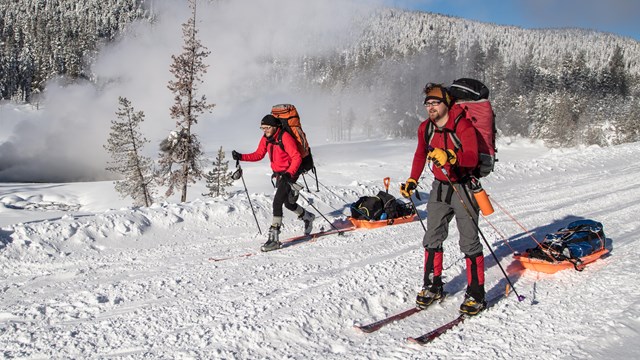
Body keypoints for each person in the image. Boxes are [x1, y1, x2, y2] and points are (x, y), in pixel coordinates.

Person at [400, 83, 486, 315]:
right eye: (427, 103)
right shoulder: (425, 128)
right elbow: (420, 154)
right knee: (432, 238)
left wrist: (450, 156)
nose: (430, 107)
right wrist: (412, 180)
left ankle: (476, 294)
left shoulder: (463, 125)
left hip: (463, 187)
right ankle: (432, 286)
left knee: (469, 241)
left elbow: (471, 157)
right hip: (439, 187)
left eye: (435, 103)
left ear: (446, 103)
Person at [232, 114, 315, 252]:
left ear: (275, 126)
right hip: (279, 174)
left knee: (277, 202)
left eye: (267, 128)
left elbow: (296, 157)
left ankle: (274, 238)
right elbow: (258, 154)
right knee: (288, 203)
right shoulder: (266, 138)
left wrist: (290, 173)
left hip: (289, 173)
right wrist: (241, 156)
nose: (264, 130)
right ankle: (308, 217)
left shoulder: (285, 137)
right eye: (262, 128)